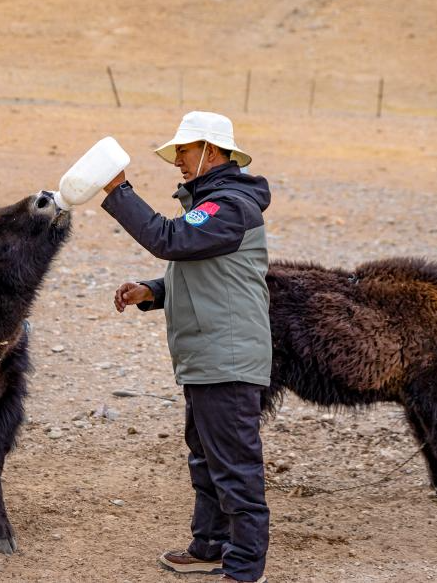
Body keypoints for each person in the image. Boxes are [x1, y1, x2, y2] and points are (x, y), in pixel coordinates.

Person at [101, 111, 271, 583]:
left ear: (210, 152)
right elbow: (204, 272)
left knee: (234, 466)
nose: (177, 160)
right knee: (207, 459)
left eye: (184, 150)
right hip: (208, 357)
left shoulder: (230, 206)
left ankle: (244, 568)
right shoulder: (213, 205)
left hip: (228, 359)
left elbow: (168, 238)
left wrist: (118, 190)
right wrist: (152, 291)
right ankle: (210, 547)